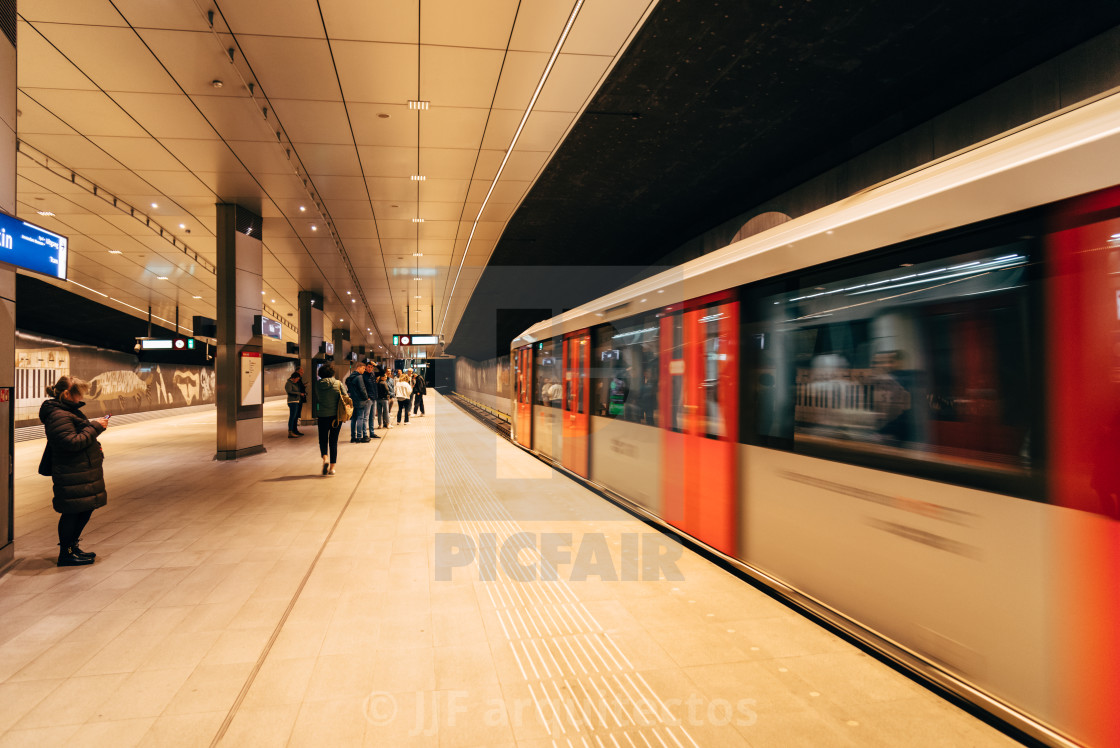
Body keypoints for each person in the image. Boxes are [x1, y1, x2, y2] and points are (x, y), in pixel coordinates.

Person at [39, 376, 109, 567]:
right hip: (71, 471)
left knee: (84, 509)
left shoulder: (67, 411)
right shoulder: (58, 415)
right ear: (67, 393)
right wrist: (95, 427)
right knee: (73, 511)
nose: (81, 397)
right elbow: (71, 442)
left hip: (80, 470)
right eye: (79, 393)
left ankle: (72, 547)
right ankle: (66, 553)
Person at [313, 362, 344, 475]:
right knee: (333, 441)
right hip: (336, 417)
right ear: (332, 373)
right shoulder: (338, 383)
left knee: (323, 439)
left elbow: (317, 397)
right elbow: (345, 397)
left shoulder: (318, 384)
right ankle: (332, 468)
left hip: (322, 415)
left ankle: (325, 458)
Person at [346, 362, 372, 443]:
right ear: (359, 367)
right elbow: (362, 389)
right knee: (360, 418)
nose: (364, 370)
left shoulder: (350, 377)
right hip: (360, 400)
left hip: (353, 400)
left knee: (353, 419)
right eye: (364, 368)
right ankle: (359, 437)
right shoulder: (359, 377)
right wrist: (366, 398)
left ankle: (353, 437)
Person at [285, 367, 306, 438]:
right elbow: (289, 391)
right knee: (292, 417)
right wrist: (299, 393)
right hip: (292, 401)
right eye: (297, 378)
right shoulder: (288, 383)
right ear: (294, 378)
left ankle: (294, 431)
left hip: (296, 401)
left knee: (295, 417)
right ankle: (290, 432)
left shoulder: (295, 383)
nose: (298, 380)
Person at [362, 361, 380, 438]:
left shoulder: (373, 374)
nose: (370, 368)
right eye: (368, 367)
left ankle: (372, 433)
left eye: (371, 367)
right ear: (366, 367)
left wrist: (377, 365)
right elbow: (362, 388)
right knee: (366, 417)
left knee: (372, 417)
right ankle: (365, 434)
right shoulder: (363, 375)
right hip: (368, 399)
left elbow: (382, 372)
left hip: (374, 398)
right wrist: (367, 397)